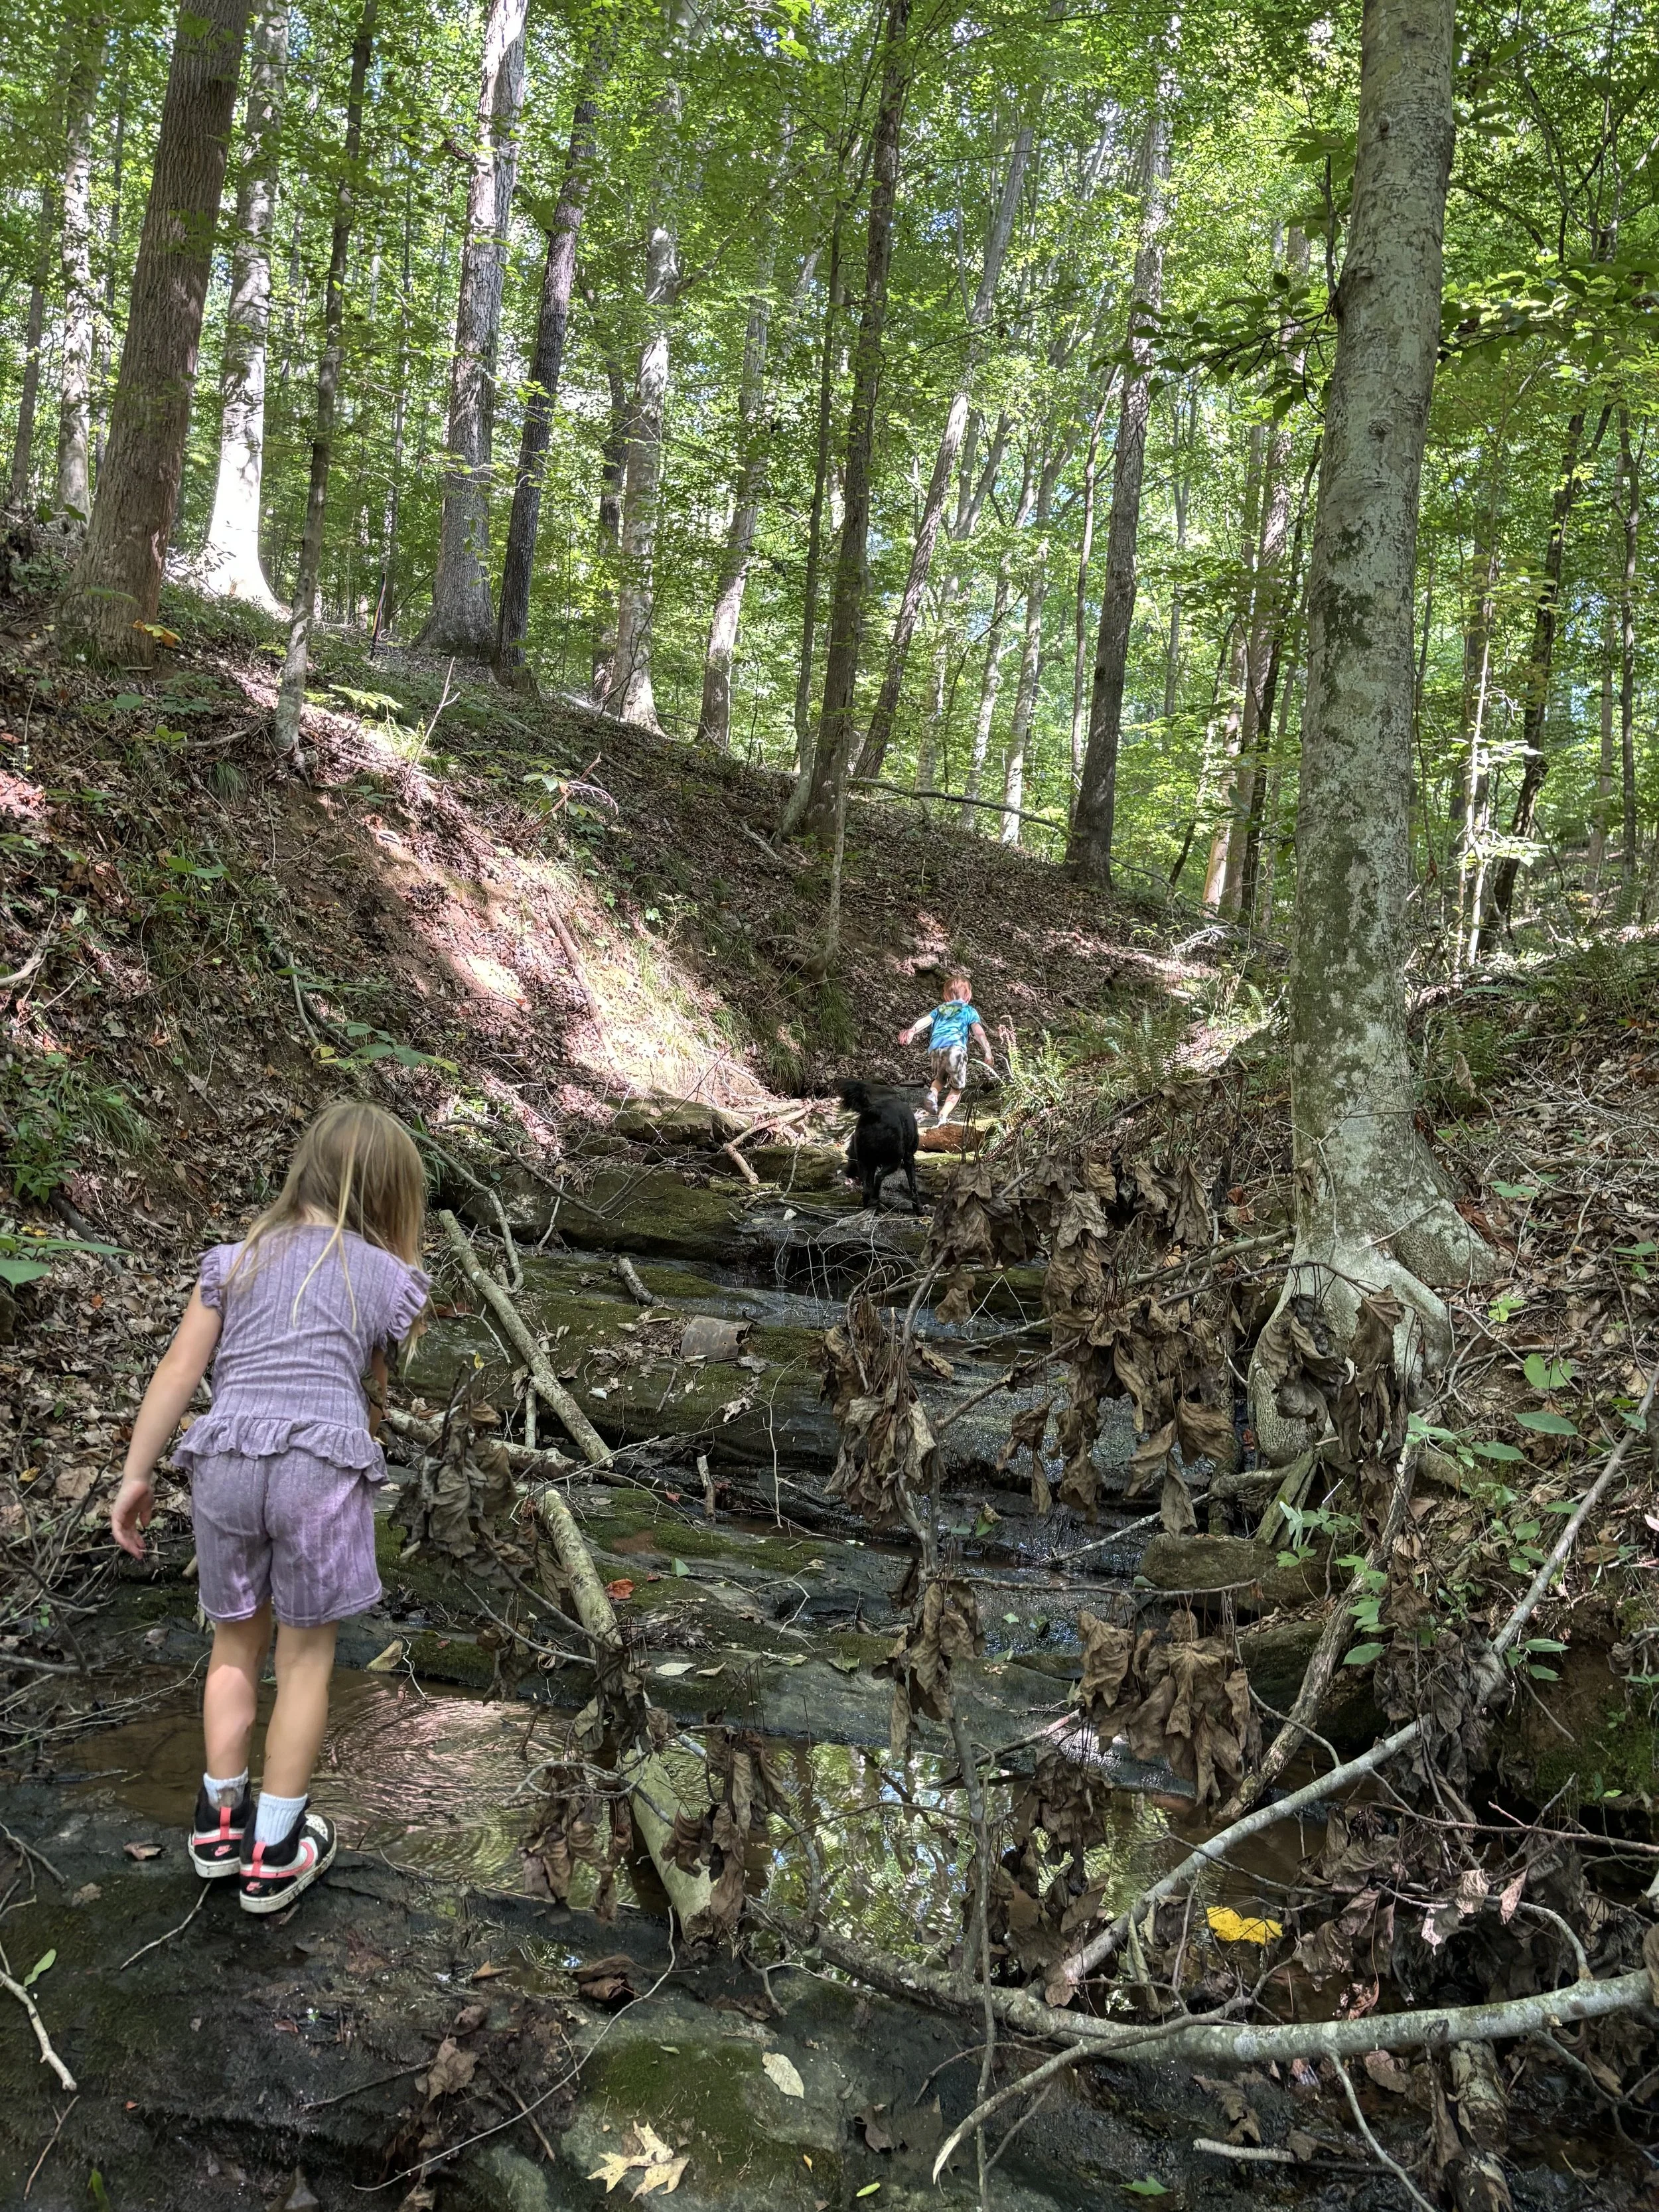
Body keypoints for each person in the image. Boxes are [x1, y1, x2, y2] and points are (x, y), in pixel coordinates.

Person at [110, 1100, 429, 1916]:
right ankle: (277, 1849)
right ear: (392, 1196)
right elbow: (375, 1368)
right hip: (316, 1467)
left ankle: (219, 1826)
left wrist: (135, 1475)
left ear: (304, 1170)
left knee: (232, 1644)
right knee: (306, 1660)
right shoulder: (387, 1275)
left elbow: (180, 1371)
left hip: (224, 1458)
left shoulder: (235, 1259)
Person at [899, 971, 995, 1124]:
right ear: (968, 997)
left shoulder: (942, 1009)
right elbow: (978, 1032)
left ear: (946, 997)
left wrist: (913, 1030)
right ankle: (943, 1115)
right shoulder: (969, 1011)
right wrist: (987, 1051)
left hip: (936, 1049)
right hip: (956, 1050)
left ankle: (932, 1094)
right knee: (957, 1088)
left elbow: (926, 1020)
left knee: (940, 1079)